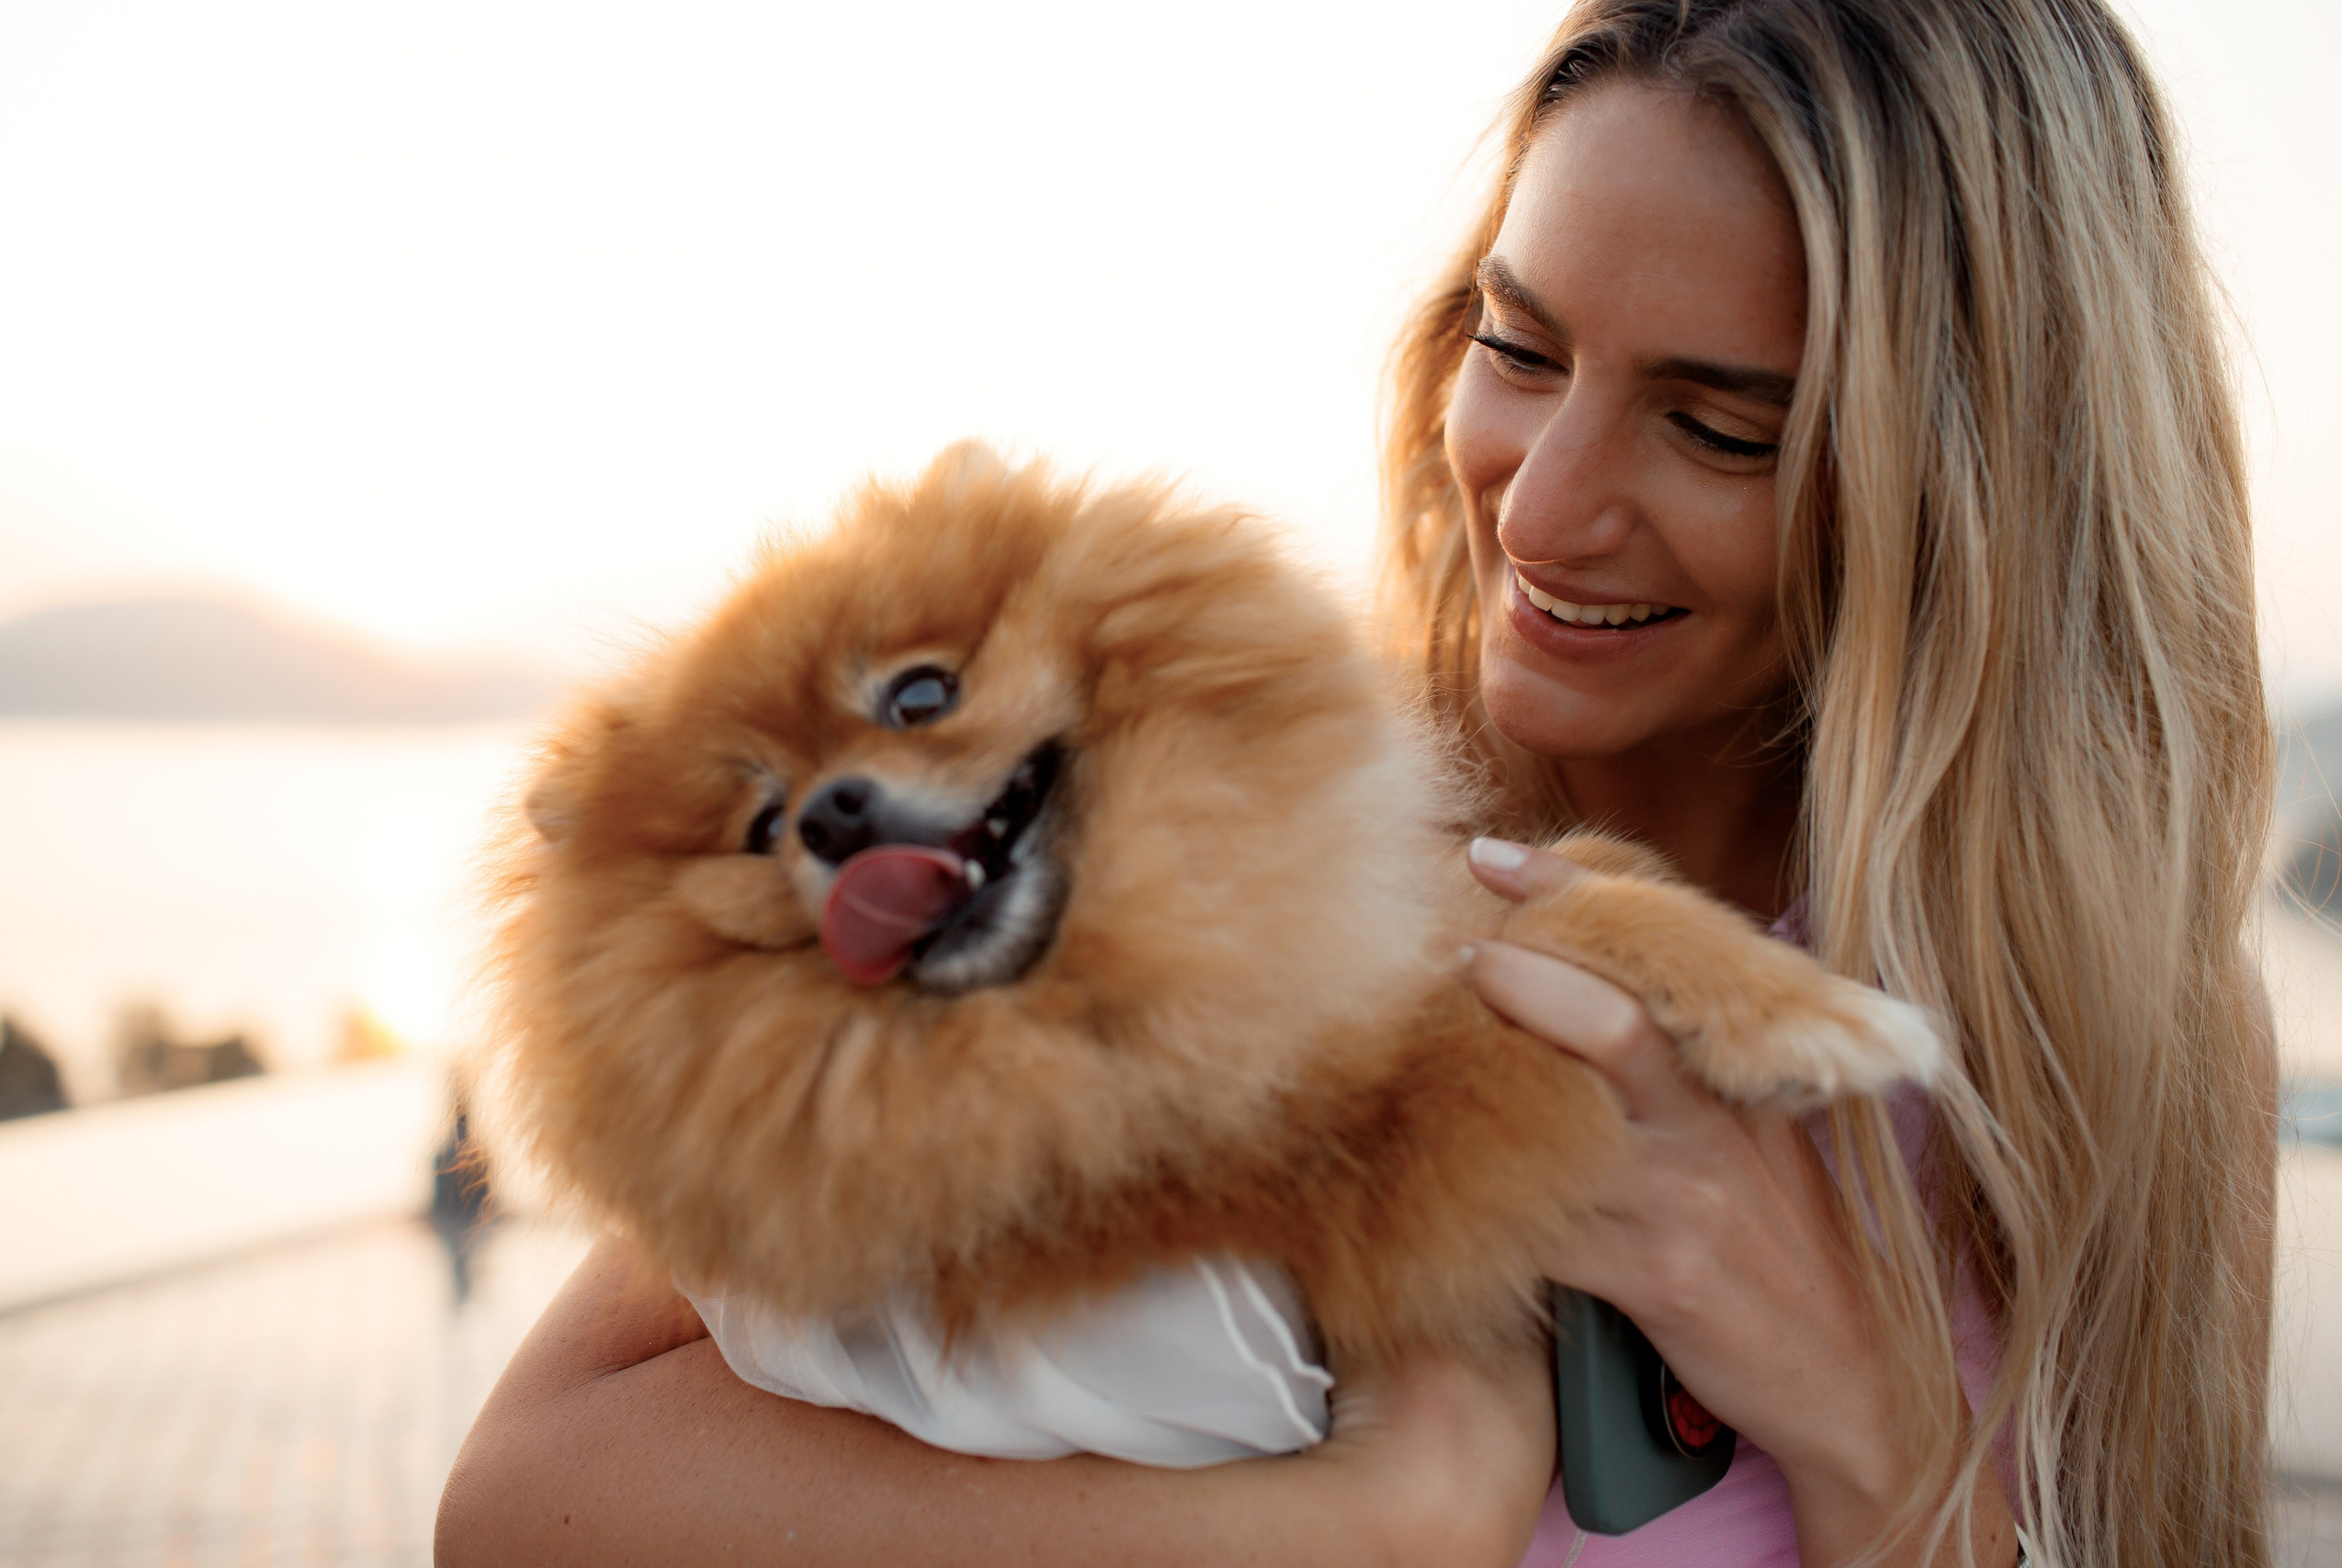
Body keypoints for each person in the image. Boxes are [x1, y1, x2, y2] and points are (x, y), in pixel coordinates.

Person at [435, 1, 2276, 1563]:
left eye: (1715, 425)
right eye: (1516, 346)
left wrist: (1877, 1439)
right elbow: (530, 1485)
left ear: (1977, 493)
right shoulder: (1247, 826)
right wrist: (1360, 1515)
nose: (1539, 505)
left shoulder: (2100, 1042)